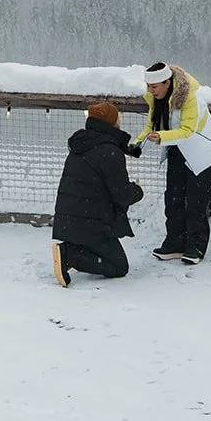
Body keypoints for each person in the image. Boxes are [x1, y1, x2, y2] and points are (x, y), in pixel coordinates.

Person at [135, 61, 211, 265]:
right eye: (148, 86)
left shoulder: (189, 98)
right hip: (177, 149)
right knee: (173, 198)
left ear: (167, 83)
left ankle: (196, 247)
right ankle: (175, 244)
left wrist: (161, 137)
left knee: (195, 201)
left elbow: (187, 131)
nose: (150, 91)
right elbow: (152, 125)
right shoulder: (154, 98)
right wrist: (138, 144)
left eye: (154, 87)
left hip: (203, 152)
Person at [51, 100, 145, 287]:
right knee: (118, 267)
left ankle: (74, 248)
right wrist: (137, 190)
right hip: (93, 224)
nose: (120, 121)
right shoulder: (109, 152)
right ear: (111, 122)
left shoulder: (83, 143)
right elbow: (122, 195)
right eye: (118, 117)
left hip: (72, 219)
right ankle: (71, 254)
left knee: (112, 259)